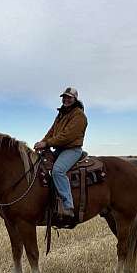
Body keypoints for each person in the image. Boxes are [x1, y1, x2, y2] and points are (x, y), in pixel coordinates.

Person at [34, 87, 88, 218]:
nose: (66, 100)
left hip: (72, 150)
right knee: (39, 165)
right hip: (59, 149)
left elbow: (67, 136)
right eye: (64, 97)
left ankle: (67, 205)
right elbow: (51, 132)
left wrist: (47, 144)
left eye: (69, 97)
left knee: (58, 171)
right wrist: (41, 143)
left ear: (75, 99)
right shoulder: (61, 114)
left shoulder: (79, 115)